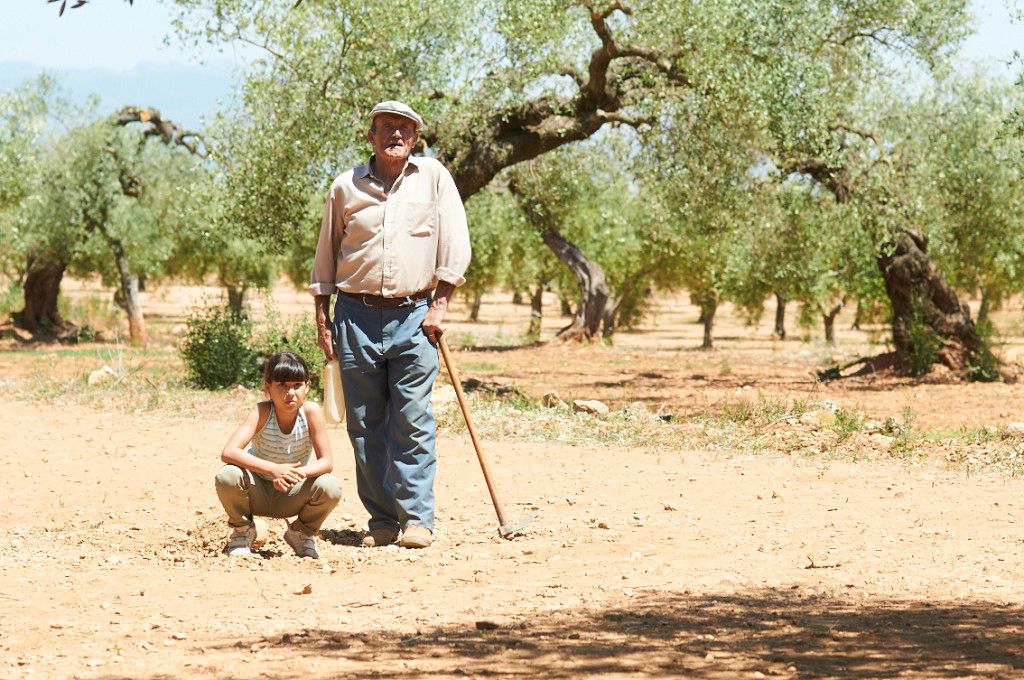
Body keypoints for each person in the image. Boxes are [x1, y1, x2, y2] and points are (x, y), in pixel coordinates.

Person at [309, 100, 471, 549]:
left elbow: (455, 245)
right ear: (371, 136)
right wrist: (323, 319)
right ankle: (382, 520)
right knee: (365, 424)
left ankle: (417, 519)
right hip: (354, 316)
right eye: (386, 127)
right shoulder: (345, 186)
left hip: (415, 315)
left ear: (415, 139)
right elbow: (326, 256)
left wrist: (440, 306)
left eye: (404, 129)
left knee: (412, 419)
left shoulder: (434, 178)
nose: (395, 134)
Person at [215, 352, 342, 559]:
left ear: (307, 387)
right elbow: (229, 452)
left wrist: (294, 474)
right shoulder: (262, 411)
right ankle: (242, 530)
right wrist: (274, 469)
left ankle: (301, 533)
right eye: (282, 385)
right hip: (257, 492)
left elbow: (327, 462)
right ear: (268, 387)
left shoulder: (311, 412)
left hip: (292, 493)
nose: (290, 392)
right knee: (227, 475)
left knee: (330, 486)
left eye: (297, 385)